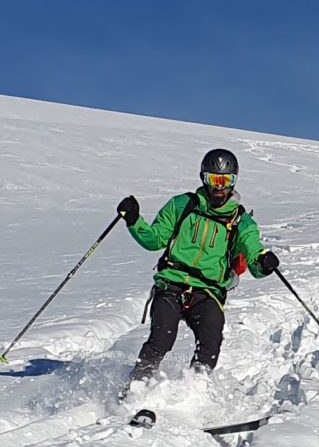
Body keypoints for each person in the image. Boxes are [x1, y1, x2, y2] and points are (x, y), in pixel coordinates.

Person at [117, 148, 280, 386]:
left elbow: (253, 252)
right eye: (213, 179)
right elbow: (154, 240)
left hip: (208, 291)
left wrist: (264, 262)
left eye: (225, 181)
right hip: (171, 283)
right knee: (161, 338)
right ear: (203, 177)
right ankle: (137, 387)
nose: (218, 187)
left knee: (210, 341)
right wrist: (134, 220)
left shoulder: (240, 221)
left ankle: (194, 391)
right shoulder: (182, 205)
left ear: (234, 180)